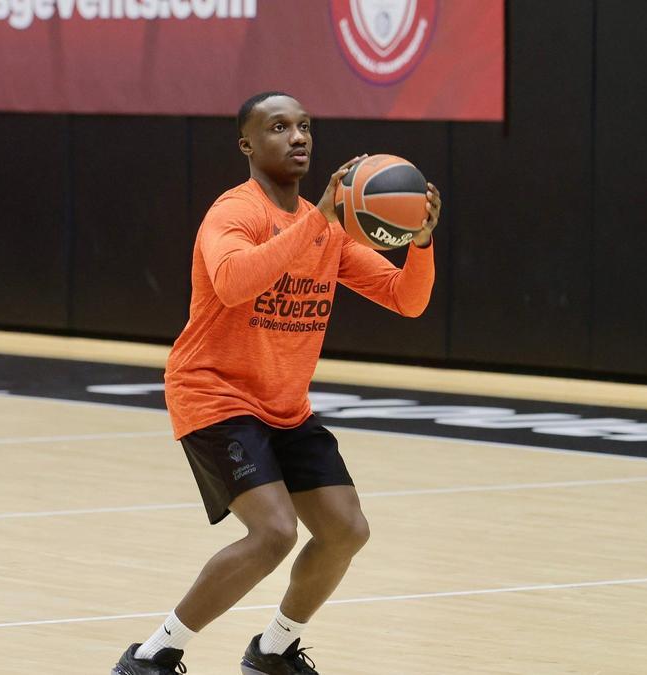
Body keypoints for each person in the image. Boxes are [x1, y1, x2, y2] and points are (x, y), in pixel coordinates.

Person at [113, 91, 441, 675]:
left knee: (346, 530)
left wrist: (420, 243)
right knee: (274, 532)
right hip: (213, 392)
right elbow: (236, 282)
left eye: (305, 126)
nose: (298, 137)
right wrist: (320, 218)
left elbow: (406, 300)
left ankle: (273, 651)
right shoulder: (233, 213)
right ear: (247, 144)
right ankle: (153, 655)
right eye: (279, 127)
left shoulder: (330, 232)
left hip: (285, 406)